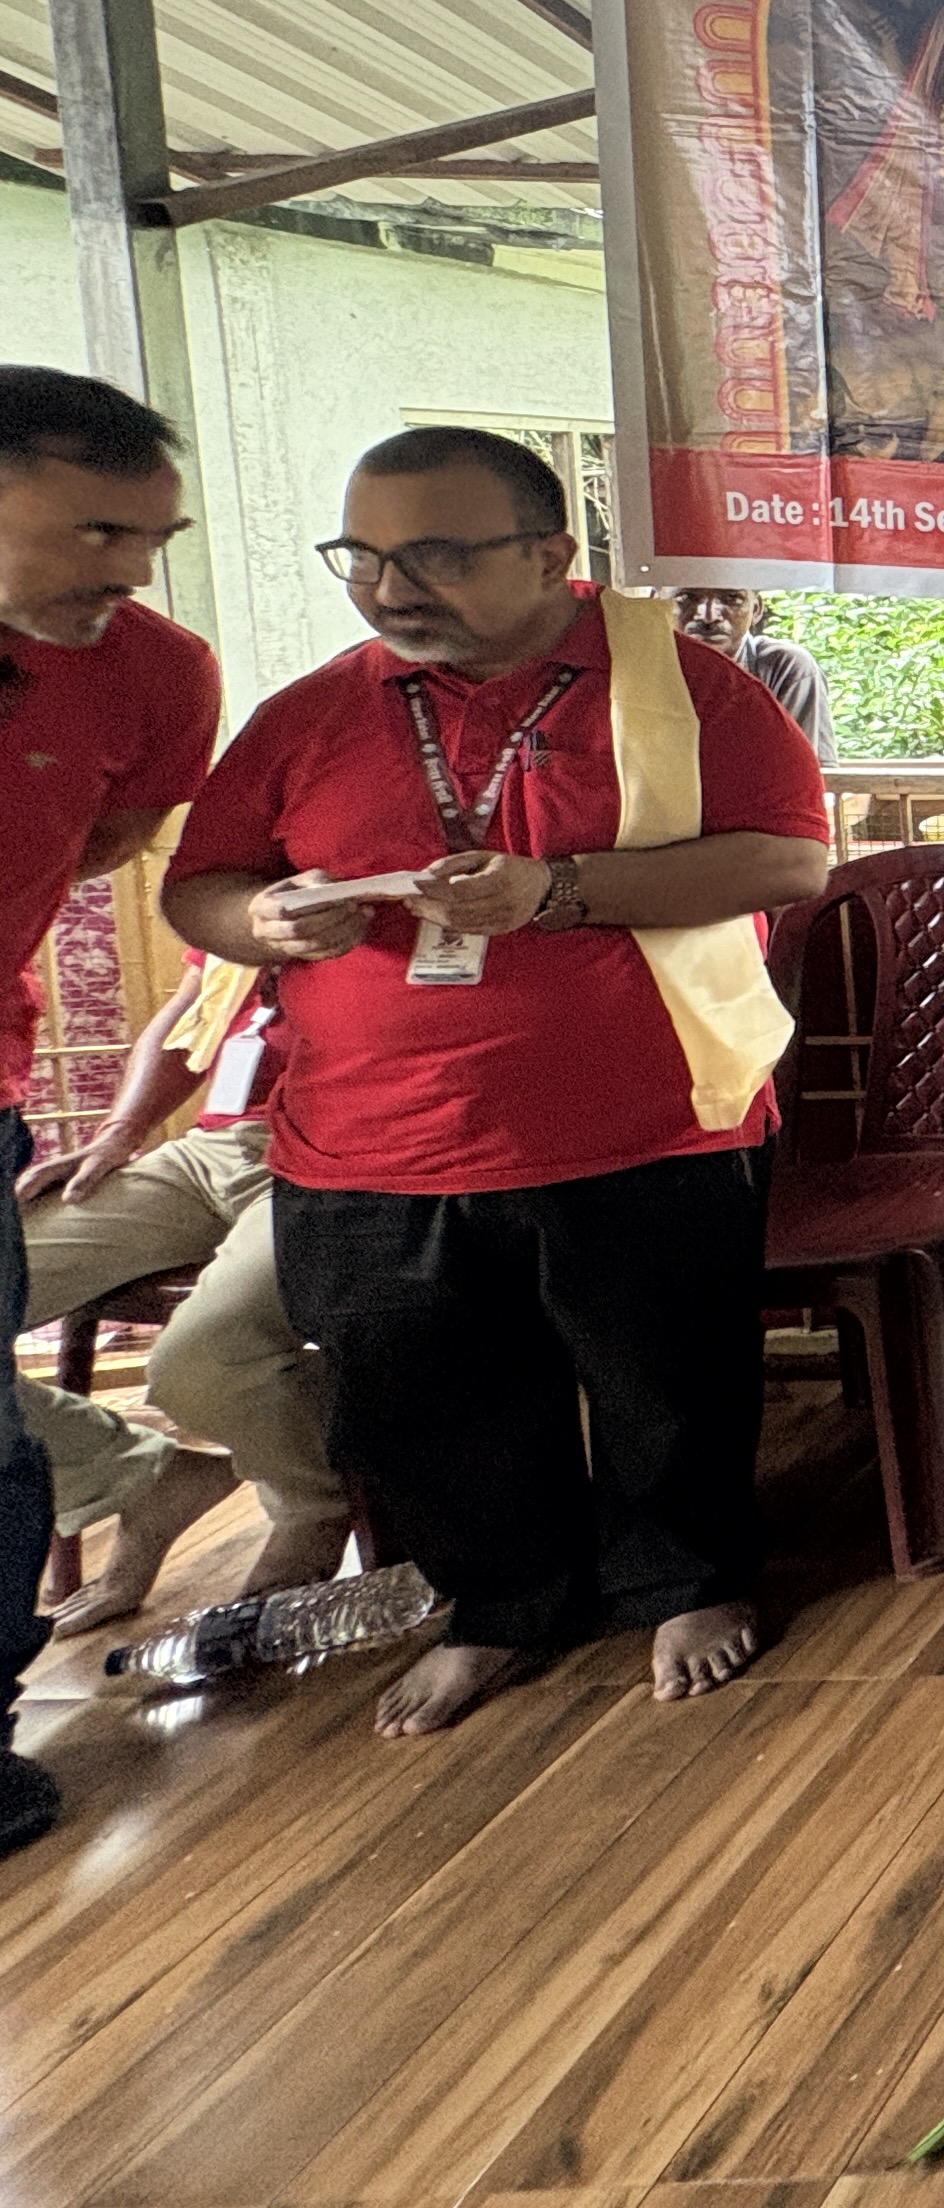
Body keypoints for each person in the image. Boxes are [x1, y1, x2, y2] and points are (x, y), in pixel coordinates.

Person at [160, 427, 825, 1740]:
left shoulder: (686, 688)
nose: (391, 588)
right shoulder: (312, 711)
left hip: (649, 1119)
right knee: (424, 1400)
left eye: (438, 557)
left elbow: (788, 862)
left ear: (549, 554)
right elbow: (203, 887)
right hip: (369, 1137)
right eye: (363, 557)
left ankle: (686, 1580)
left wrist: (559, 892)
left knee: (665, 1382)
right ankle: (495, 1606)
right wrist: (268, 921)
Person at [0, 365, 219, 1852]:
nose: (131, 570)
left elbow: (109, 844)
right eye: (96, 534)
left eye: (152, 537)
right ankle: (144, 1472)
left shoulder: (155, 671)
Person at [18, 957, 347, 1633]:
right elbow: (190, 1010)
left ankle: (312, 1505)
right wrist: (118, 1132)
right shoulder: (233, 900)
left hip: (338, 1158)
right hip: (207, 1151)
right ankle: (137, 1477)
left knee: (200, 1362)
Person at [668, 588, 833, 753]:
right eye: (688, 597)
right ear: (656, 605)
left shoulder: (784, 667)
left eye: (731, 597)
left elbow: (808, 764)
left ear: (756, 609)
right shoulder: (652, 666)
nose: (709, 616)